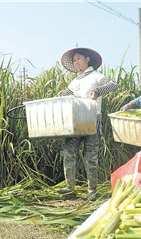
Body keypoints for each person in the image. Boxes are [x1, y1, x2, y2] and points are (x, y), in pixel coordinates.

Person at [58, 47, 118, 200]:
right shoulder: (75, 80)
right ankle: (70, 187)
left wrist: (97, 91)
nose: (76, 62)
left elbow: (113, 85)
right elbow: (65, 95)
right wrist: (59, 97)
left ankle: (92, 190)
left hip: (92, 119)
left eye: (78, 59)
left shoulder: (96, 76)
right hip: (75, 121)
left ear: (87, 60)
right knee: (69, 152)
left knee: (90, 156)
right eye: (74, 60)